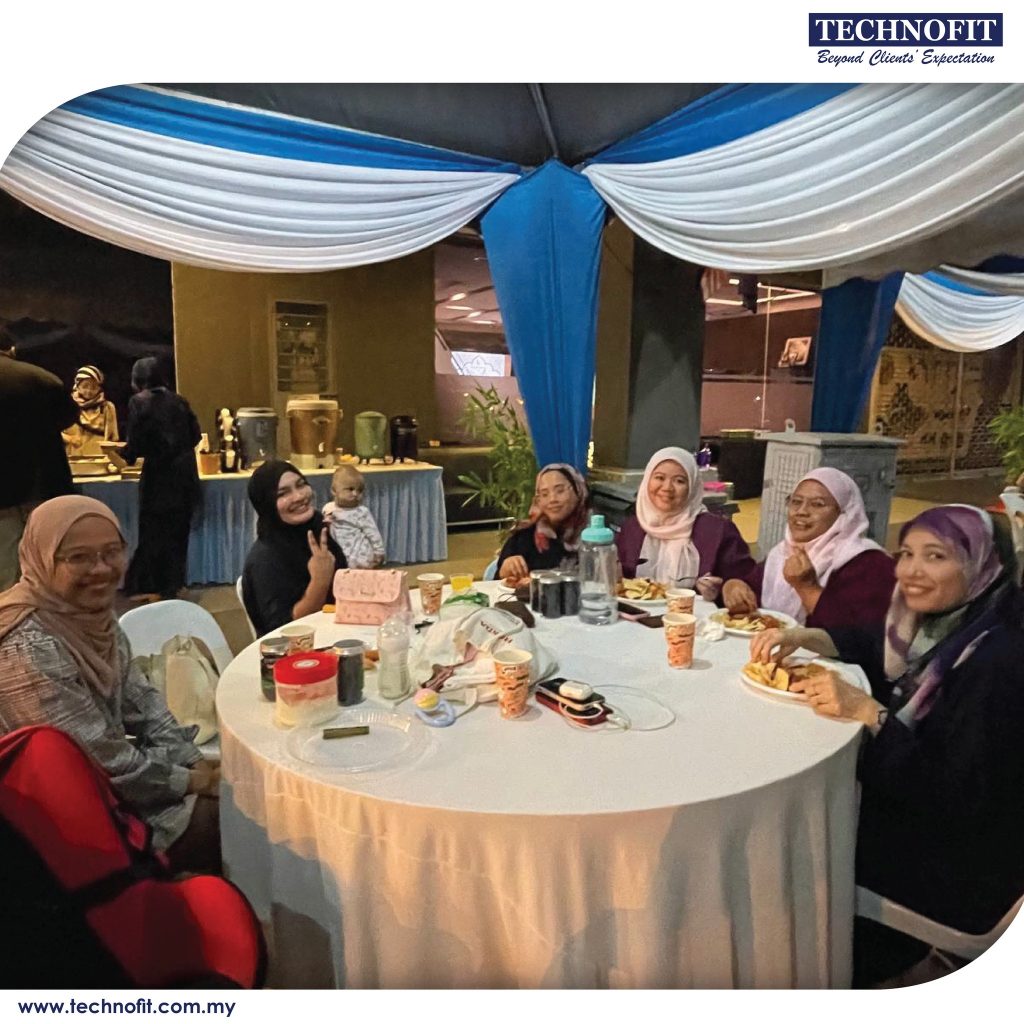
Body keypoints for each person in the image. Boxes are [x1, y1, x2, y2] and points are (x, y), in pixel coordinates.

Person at [750, 505, 1024, 985]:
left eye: (936, 556)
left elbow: (953, 795)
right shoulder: (948, 621)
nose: (911, 572)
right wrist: (811, 636)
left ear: (983, 563)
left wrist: (870, 713)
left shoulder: (996, 659)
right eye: (907, 554)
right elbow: (877, 646)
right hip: (933, 814)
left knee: (784, 837)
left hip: (959, 859)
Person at [0, 496, 220, 873]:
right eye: (78, 557)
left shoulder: (92, 617)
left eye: (112, 552)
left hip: (112, 788)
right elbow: (96, 761)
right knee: (225, 820)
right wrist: (192, 781)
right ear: (40, 559)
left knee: (238, 797)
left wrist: (193, 759)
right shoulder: (26, 646)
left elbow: (144, 703)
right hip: (60, 823)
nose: (101, 569)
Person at [722, 468, 895, 630]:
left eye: (817, 504)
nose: (801, 511)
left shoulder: (869, 563)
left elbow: (855, 635)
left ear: (844, 514)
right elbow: (750, 587)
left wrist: (807, 587)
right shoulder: (782, 553)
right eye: (796, 502)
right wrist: (733, 586)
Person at [615, 446, 756, 602]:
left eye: (679, 481)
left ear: (692, 488)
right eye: (659, 478)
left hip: (696, 616)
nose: (667, 488)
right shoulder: (632, 528)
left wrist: (722, 591)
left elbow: (746, 585)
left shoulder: (717, 531)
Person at [0, 329, 77, 590]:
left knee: (5, 564)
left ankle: (9, 612)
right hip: (43, 483)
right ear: (12, 349)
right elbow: (67, 418)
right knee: (47, 558)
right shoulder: (43, 379)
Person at [120, 357, 202, 601]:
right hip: (185, 475)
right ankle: (173, 584)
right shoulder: (179, 401)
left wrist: (125, 455)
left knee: (153, 533)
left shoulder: (139, 402)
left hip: (159, 476)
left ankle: (149, 586)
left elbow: (135, 442)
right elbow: (196, 436)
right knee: (178, 533)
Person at [242, 460, 347, 636]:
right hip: (296, 647)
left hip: (336, 632)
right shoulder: (265, 558)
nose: (298, 496)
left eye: (301, 485)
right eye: (283, 493)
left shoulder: (315, 529)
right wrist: (320, 581)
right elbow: (285, 631)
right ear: (266, 504)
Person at [497, 464, 589, 581]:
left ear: (579, 490)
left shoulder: (595, 535)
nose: (552, 499)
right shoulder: (523, 538)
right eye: (545, 494)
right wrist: (506, 569)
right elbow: (497, 581)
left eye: (560, 491)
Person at [323, 465, 386, 569]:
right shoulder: (328, 508)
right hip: (339, 553)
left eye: (360, 490)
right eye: (350, 489)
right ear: (334, 491)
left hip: (360, 556)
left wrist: (379, 551)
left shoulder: (361, 511)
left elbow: (373, 532)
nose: (355, 493)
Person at [62, 365, 119, 458]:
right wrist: (70, 439)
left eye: (93, 387)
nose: (89, 391)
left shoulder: (107, 407)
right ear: (78, 386)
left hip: (99, 458)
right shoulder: (67, 405)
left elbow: (113, 438)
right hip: (73, 458)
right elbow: (54, 432)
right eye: (85, 386)